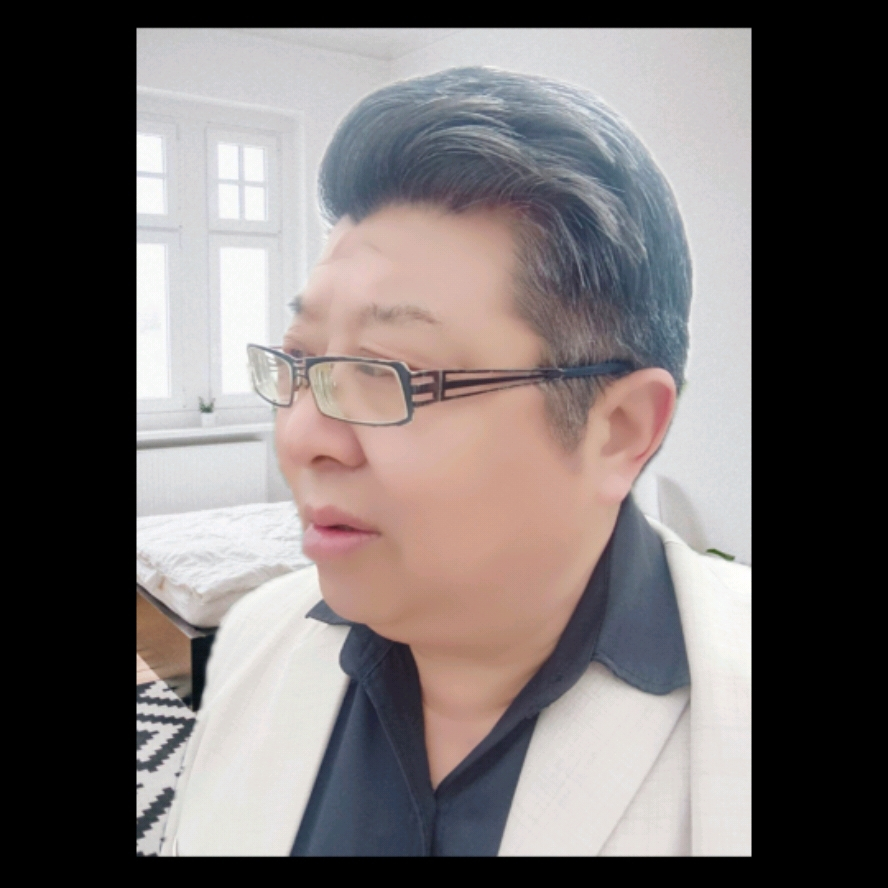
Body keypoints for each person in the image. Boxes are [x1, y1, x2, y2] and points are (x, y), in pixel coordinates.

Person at [160, 67, 750, 857]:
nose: (300, 438)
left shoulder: (729, 714)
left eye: (389, 371)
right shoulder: (256, 637)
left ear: (617, 431)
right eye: (300, 362)